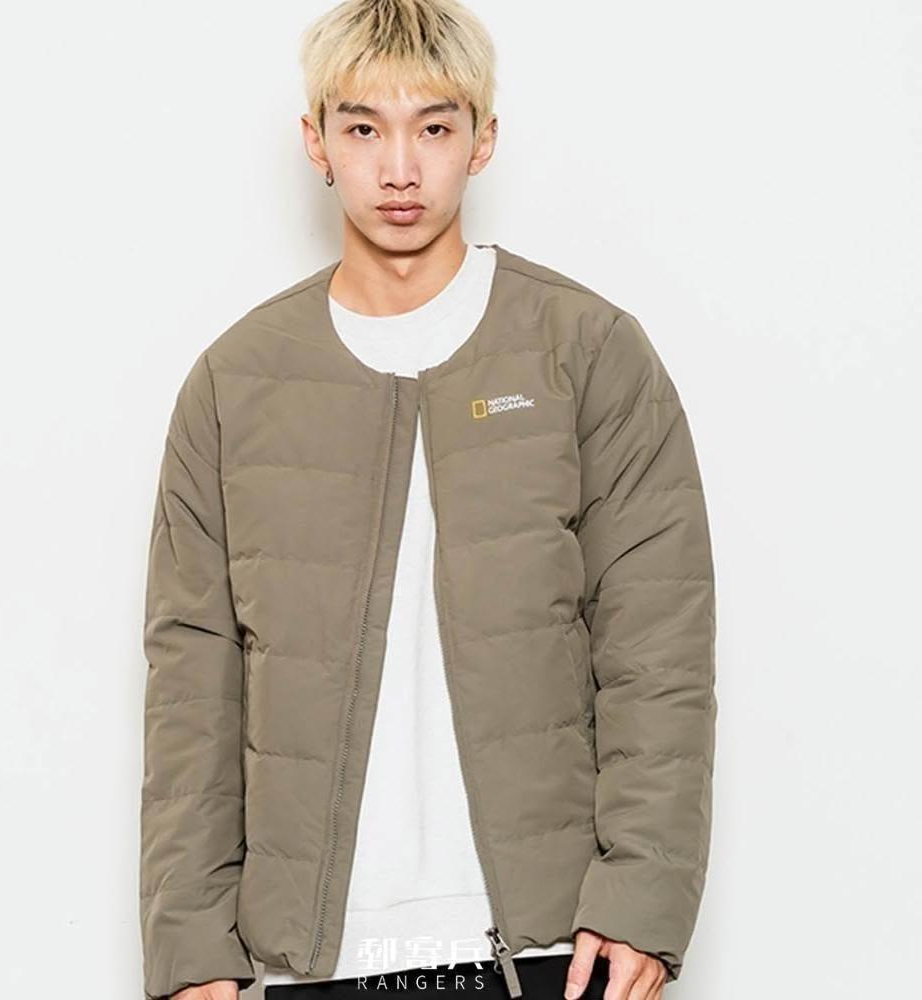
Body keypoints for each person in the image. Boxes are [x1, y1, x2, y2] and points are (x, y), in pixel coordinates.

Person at [137, 2, 717, 999]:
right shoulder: (236, 383)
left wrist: (642, 898)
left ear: (482, 140)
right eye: (364, 128)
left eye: (434, 127)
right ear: (316, 142)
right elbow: (192, 679)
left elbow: (657, 643)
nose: (399, 168)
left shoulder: (586, 353)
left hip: (552, 945)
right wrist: (191, 950)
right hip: (311, 957)